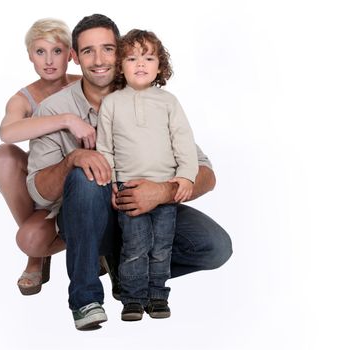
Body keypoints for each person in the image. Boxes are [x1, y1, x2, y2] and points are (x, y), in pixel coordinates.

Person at [27, 14, 232, 331]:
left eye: (108, 49)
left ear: (120, 53)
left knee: (215, 246)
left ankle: (129, 274)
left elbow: (205, 171)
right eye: (87, 51)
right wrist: (73, 159)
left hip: (149, 210)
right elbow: (38, 192)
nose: (99, 60)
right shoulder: (54, 109)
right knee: (87, 171)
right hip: (87, 221)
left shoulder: (154, 99)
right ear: (75, 57)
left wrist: (161, 191)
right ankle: (86, 300)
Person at [96, 28, 198, 321]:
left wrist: (187, 177)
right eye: (131, 58)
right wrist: (111, 185)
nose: (140, 64)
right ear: (120, 66)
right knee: (135, 246)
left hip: (166, 187)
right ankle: (132, 298)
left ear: (159, 66)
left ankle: (157, 296)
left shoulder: (169, 103)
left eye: (148, 57)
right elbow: (105, 148)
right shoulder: (112, 103)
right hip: (127, 187)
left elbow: (183, 141)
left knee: (161, 246)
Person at [0, 18, 96, 296]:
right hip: (47, 189)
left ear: (71, 55)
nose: (49, 60)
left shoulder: (86, 83)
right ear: (30, 56)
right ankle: (38, 254)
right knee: (4, 156)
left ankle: (97, 243)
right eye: (40, 52)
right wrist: (66, 120)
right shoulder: (23, 99)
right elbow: (8, 132)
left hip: (87, 184)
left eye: (57, 51)